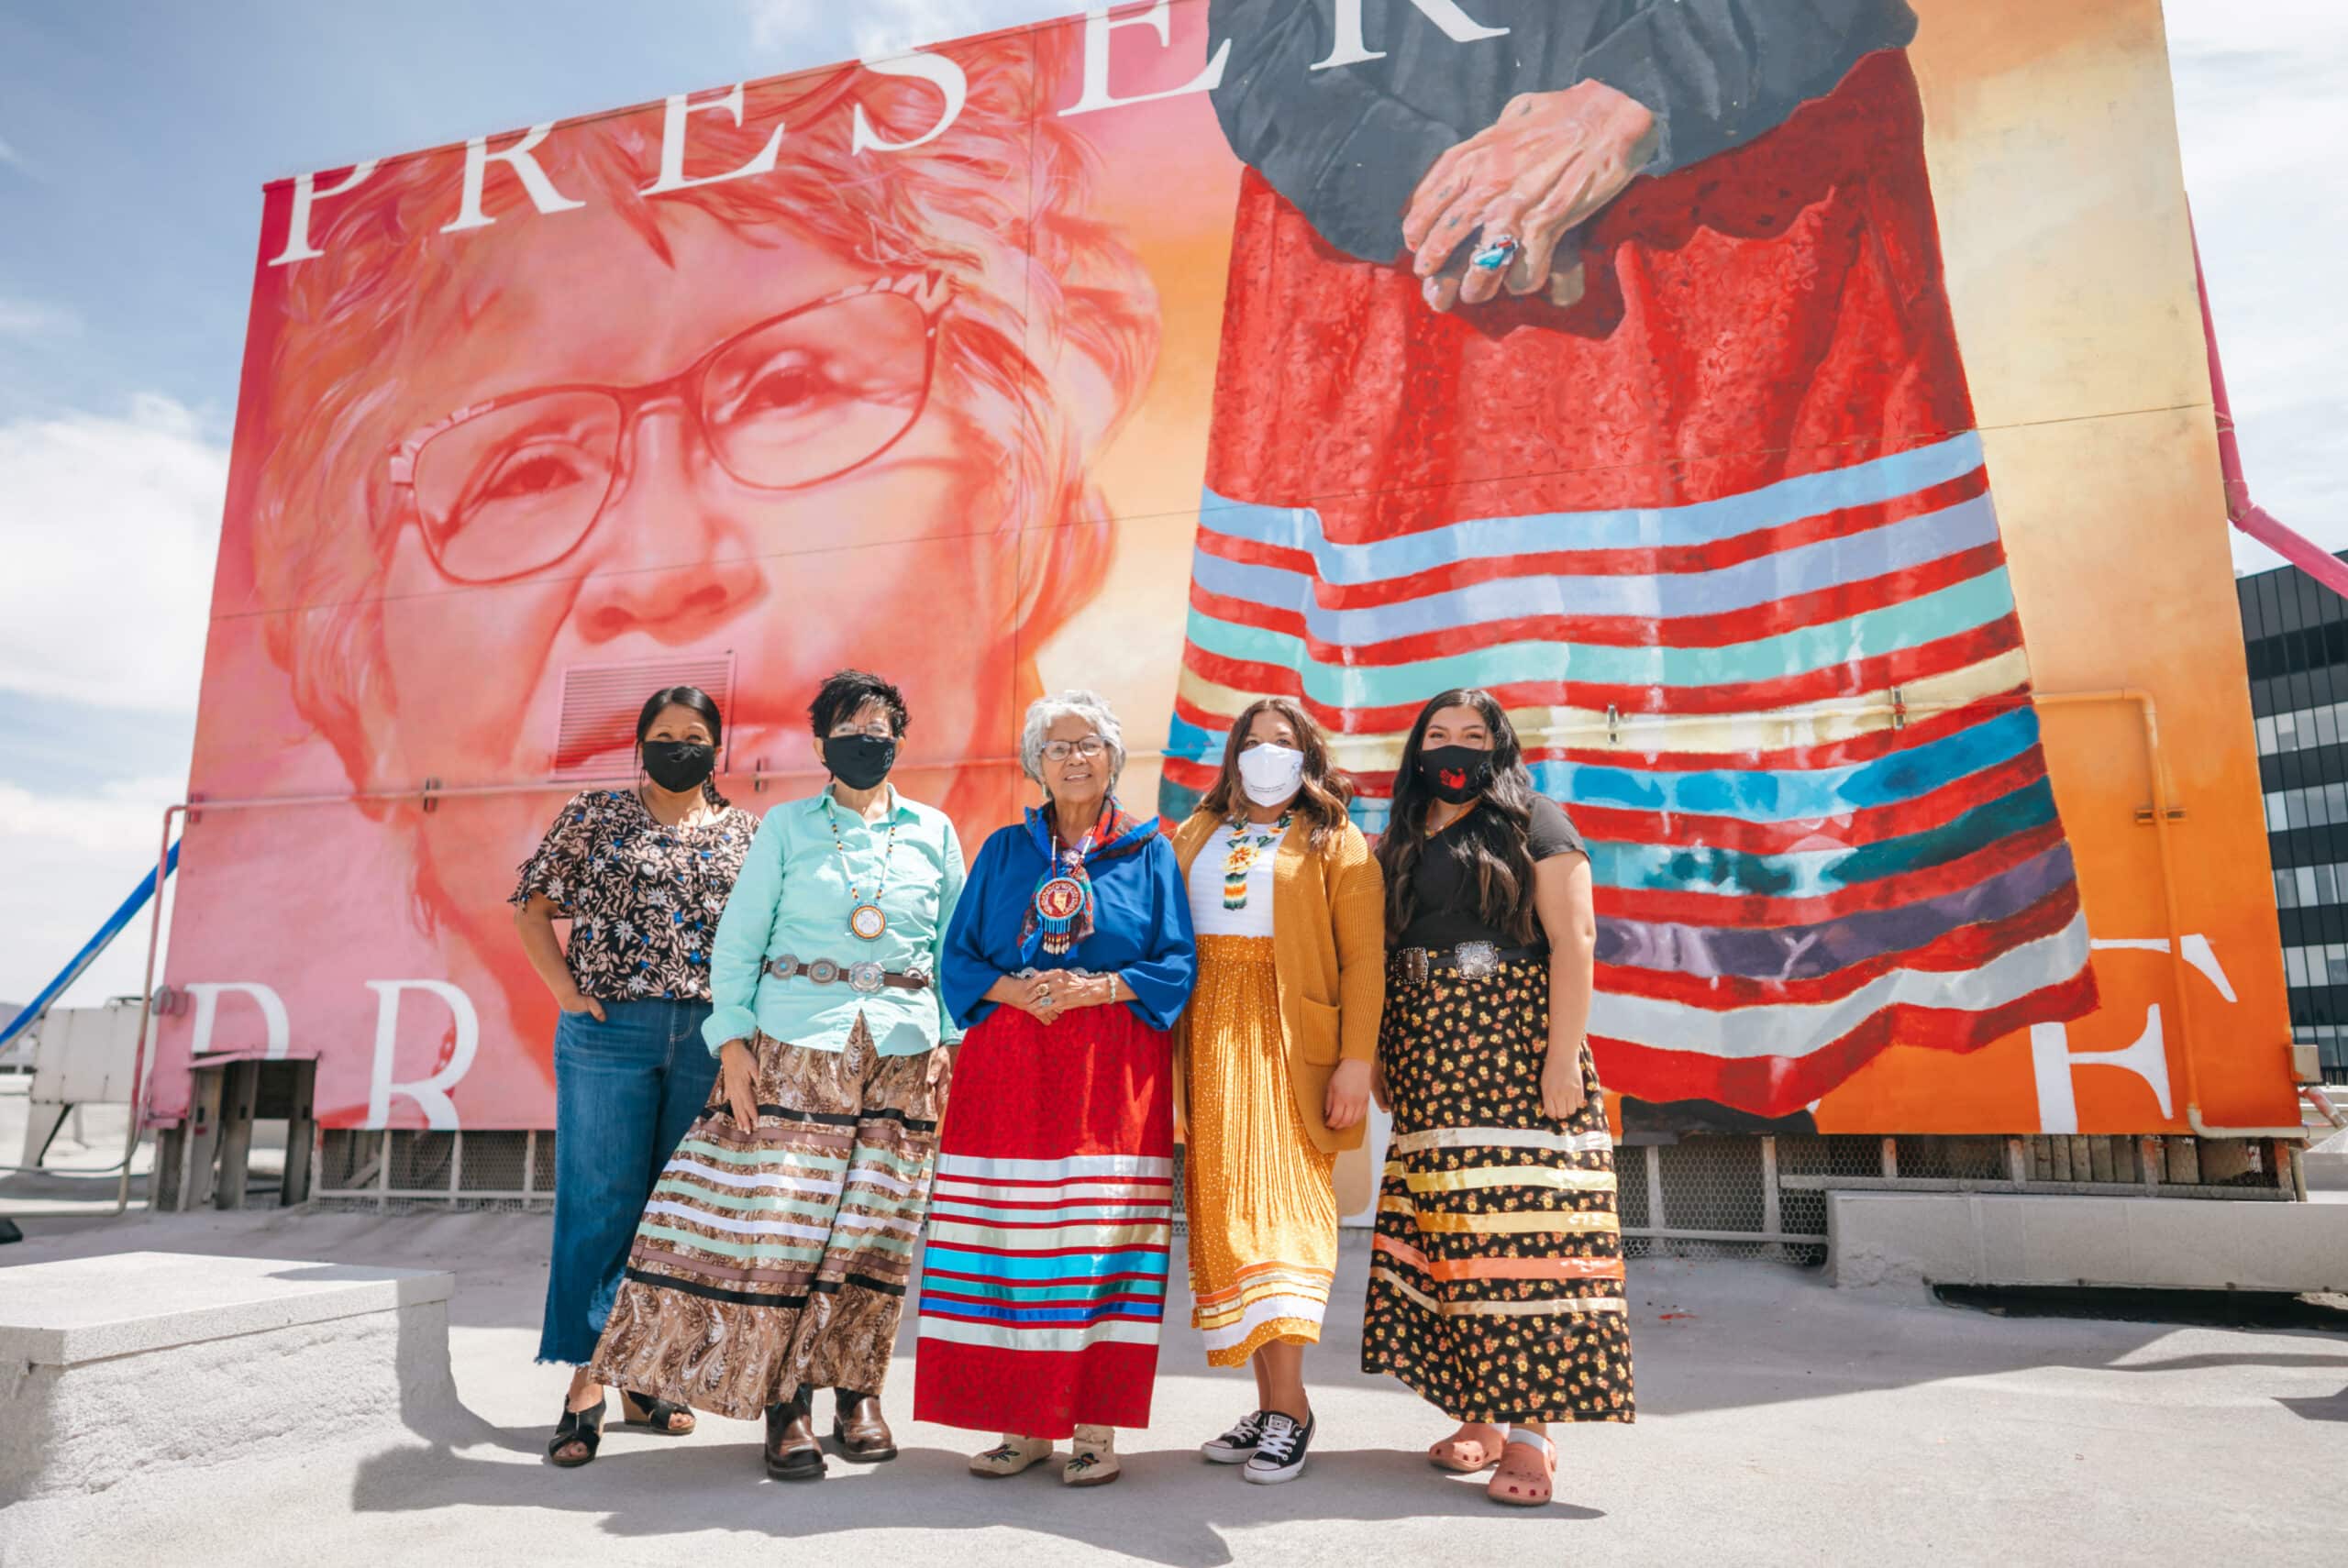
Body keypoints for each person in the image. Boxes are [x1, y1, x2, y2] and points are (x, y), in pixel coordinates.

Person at [163, 31, 1158, 1132]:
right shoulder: (694, 838)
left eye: (787, 392)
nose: (665, 566)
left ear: (1026, 507)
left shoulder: (977, 848)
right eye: (526, 470)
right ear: (362, 694)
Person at [1168, 1, 2097, 1127]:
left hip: (1726, 237)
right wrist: (1450, 199)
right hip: (1390, 279)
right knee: (1393, 877)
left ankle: (1703, 1173)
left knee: (1733, 840)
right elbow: (1259, 53)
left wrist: (1632, 100)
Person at [582, 670, 965, 1481]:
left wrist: (950, 1036)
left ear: (900, 739)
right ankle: (784, 1403)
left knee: (876, 1232)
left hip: (902, 1051)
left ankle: (855, 1392)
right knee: (782, 1230)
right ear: (822, 743)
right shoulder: (787, 828)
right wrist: (732, 1046)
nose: (869, 741)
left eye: (883, 727)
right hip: (796, 1042)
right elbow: (737, 943)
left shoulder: (934, 830)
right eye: (850, 728)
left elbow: (951, 951)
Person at [914, 690, 1197, 1488]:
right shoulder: (1005, 851)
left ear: (1113, 758)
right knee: (1010, 1237)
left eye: (1089, 744)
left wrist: (1099, 989)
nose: (1075, 758)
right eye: (1058, 746)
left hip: (1110, 1072)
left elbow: (1176, 964)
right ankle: (1023, 1426)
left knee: (1101, 1238)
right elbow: (960, 958)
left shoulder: (1150, 853)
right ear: (1037, 764)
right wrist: (1017, 993)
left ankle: (1093, 1429)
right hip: (1010, 1067)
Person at [1366, 688, 1633, 1508]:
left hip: (1516, 1048)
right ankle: (1480, 1413)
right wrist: (1380, 1050)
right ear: (1417, 752)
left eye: (1472, 736)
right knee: (1454, 1237)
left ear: (1499, 744)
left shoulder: (1535, 821)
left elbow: (1575, 939)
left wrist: (1562, 1057)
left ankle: (1533, 1435)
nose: (1453, 749)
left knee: (1530, 1239)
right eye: (1437, 735)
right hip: (1427, 1052)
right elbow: (1383, 942)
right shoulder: (1404, 833)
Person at [514, 685, 755, 1466]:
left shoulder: (748, 836)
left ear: (716, 747)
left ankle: (648, 1377)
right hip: (609, 1032)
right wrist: (565, 994)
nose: (678, 745)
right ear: (641, 742)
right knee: (602, 1203)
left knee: (675, 1215)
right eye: (663, 733)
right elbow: (531, 906)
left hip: (708, 1040)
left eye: (694, 734)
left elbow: (756, 945)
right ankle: (586, 1383)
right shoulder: (595, 815)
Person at [1168, 696, 1383, 1485]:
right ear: (1233, 755)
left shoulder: (1336, 839)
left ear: (1308, 757)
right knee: (1233, 1223)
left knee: (1284, 1223)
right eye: (1253, 743)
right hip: (1209, 1038)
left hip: (1294, 1047)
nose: (1266, 756)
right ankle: (1270, 1407)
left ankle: (1291, 1411)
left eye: (1282, 743)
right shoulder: (1196, 832)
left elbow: (1364, 962)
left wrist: (1356, 1063)